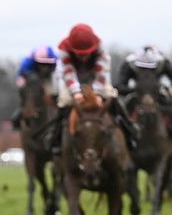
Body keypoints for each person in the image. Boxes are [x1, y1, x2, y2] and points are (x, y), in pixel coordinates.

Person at [49, 23, 138, 154]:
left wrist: (97, 94)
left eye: (86, 54)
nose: (83, 57)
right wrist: (75, 93)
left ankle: (129, 128)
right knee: (64, 101)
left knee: (112, 96)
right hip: (72, 77)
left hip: (94, 76)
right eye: (79, 54)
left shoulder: (101, 50)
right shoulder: (63, 51)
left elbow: (102, 73)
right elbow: (68, 73)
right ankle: (55, 137)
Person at [10, 45, 58, 129]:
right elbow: (21, 76)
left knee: (53, 90)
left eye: (47, 64)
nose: (45, 67)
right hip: (30, 77)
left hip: (48, 77)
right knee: (25, 87)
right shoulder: (27, 62)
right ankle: (19, 114)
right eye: (42, 64)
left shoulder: (55, 59)